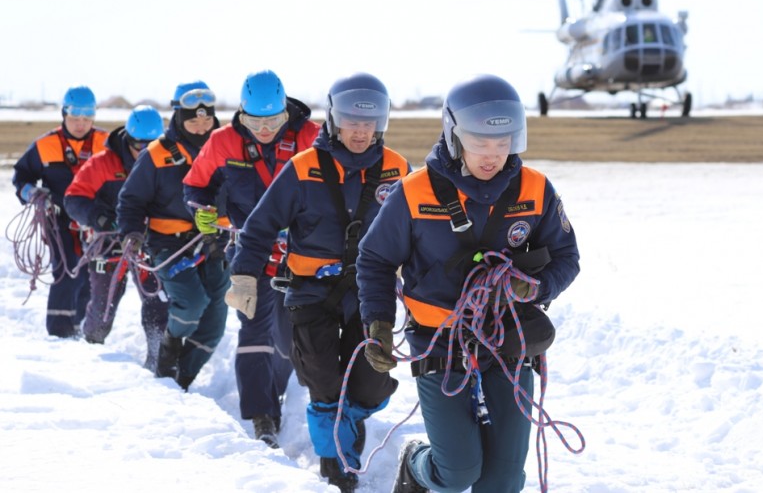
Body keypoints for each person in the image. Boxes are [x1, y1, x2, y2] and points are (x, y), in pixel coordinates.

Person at [356, 74, 581, 493]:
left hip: (506, 339)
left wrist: (533, 288)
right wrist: (379, 323)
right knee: (458, 472)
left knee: (503, 480)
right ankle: (415, 463)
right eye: (480, 144)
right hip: (438, 340)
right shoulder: (413, 191)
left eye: (502, 144)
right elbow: (375, 259)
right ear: (454, 135)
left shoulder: (535, 188)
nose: (492, 155)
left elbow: (567, 258)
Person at [228, 73, 410, 492]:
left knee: (367, 381)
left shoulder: (398, 171)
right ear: (334, 120)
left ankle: (351, 427)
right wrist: (244, 277)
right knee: (324, 380)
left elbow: (422, 234)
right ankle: (334, 465)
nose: (360, 132)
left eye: (369, 123)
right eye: (352, 122)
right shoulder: (303, 168)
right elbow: (259, 228)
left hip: (370, 293)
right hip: (310, 291)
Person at [182, 70, 321, 447]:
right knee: (254, 330)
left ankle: (277, 390)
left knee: (289, 336)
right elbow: (195, 185)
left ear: (286, 113)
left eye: (273, 121)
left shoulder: (312, 137)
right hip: (250, 252)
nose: (264, 129)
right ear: (241, 113)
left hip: (303, 253)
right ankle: (263, 417)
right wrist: (201, 209)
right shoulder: (223, 142)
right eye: (255, 121)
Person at [117, 81, 230, 391]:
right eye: (193, 118)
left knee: (215, 320)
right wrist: (131, 232)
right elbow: (130, 201)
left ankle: (181, 381)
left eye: (207, 118)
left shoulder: (228, 148)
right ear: (179, 116)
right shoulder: (156, 154)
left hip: (216, 243)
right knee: (192, 303)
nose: (201, 125)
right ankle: (169, 350)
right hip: (169, 244)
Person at [64, 105, 168, 369]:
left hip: (147, 244)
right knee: (103, 305)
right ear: (127, 141)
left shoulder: (166, 162)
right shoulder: (101, 163)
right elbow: (74, 198)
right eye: (138, 146)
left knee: (156, 300)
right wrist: (99, 218)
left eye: (152, 145)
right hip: (109, 242)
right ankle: (91, 348)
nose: (144, 152)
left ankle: (159, 359)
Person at [13, 85, 109, 338]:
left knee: (91, 274)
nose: (80, 124)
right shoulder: (46, 145)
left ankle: (80, 325)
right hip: (59, 217)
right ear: (64, 115)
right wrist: (32, 194)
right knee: (66, 269)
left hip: (96, 220)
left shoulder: (106, 143)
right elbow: (21, 177)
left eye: (86, 119)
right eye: (75, 119)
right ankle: (59, 333)